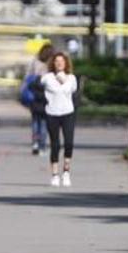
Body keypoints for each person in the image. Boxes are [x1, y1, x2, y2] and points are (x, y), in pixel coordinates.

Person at [41, 52, 78, 187]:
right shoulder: (47, 77)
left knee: (68, 143)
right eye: (57, 61)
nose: (59, 63)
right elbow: (42, 82)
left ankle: (66, 172)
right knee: (55, 144)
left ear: (66, 63)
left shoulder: (72, 78)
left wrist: (63, 79)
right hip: (52, 113)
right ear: (53, 63)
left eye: (62, 61)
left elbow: (71, 90)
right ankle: (55, 175)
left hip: (68, 113)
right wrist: (55, 77)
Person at [24, 43, 53, 155]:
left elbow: (27, 78)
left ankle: (35, 143)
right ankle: (42, 146)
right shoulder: (51, 64)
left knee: (35, 122)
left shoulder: (35, 62)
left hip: (34, 96)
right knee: (44, 123)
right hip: (46, 96)